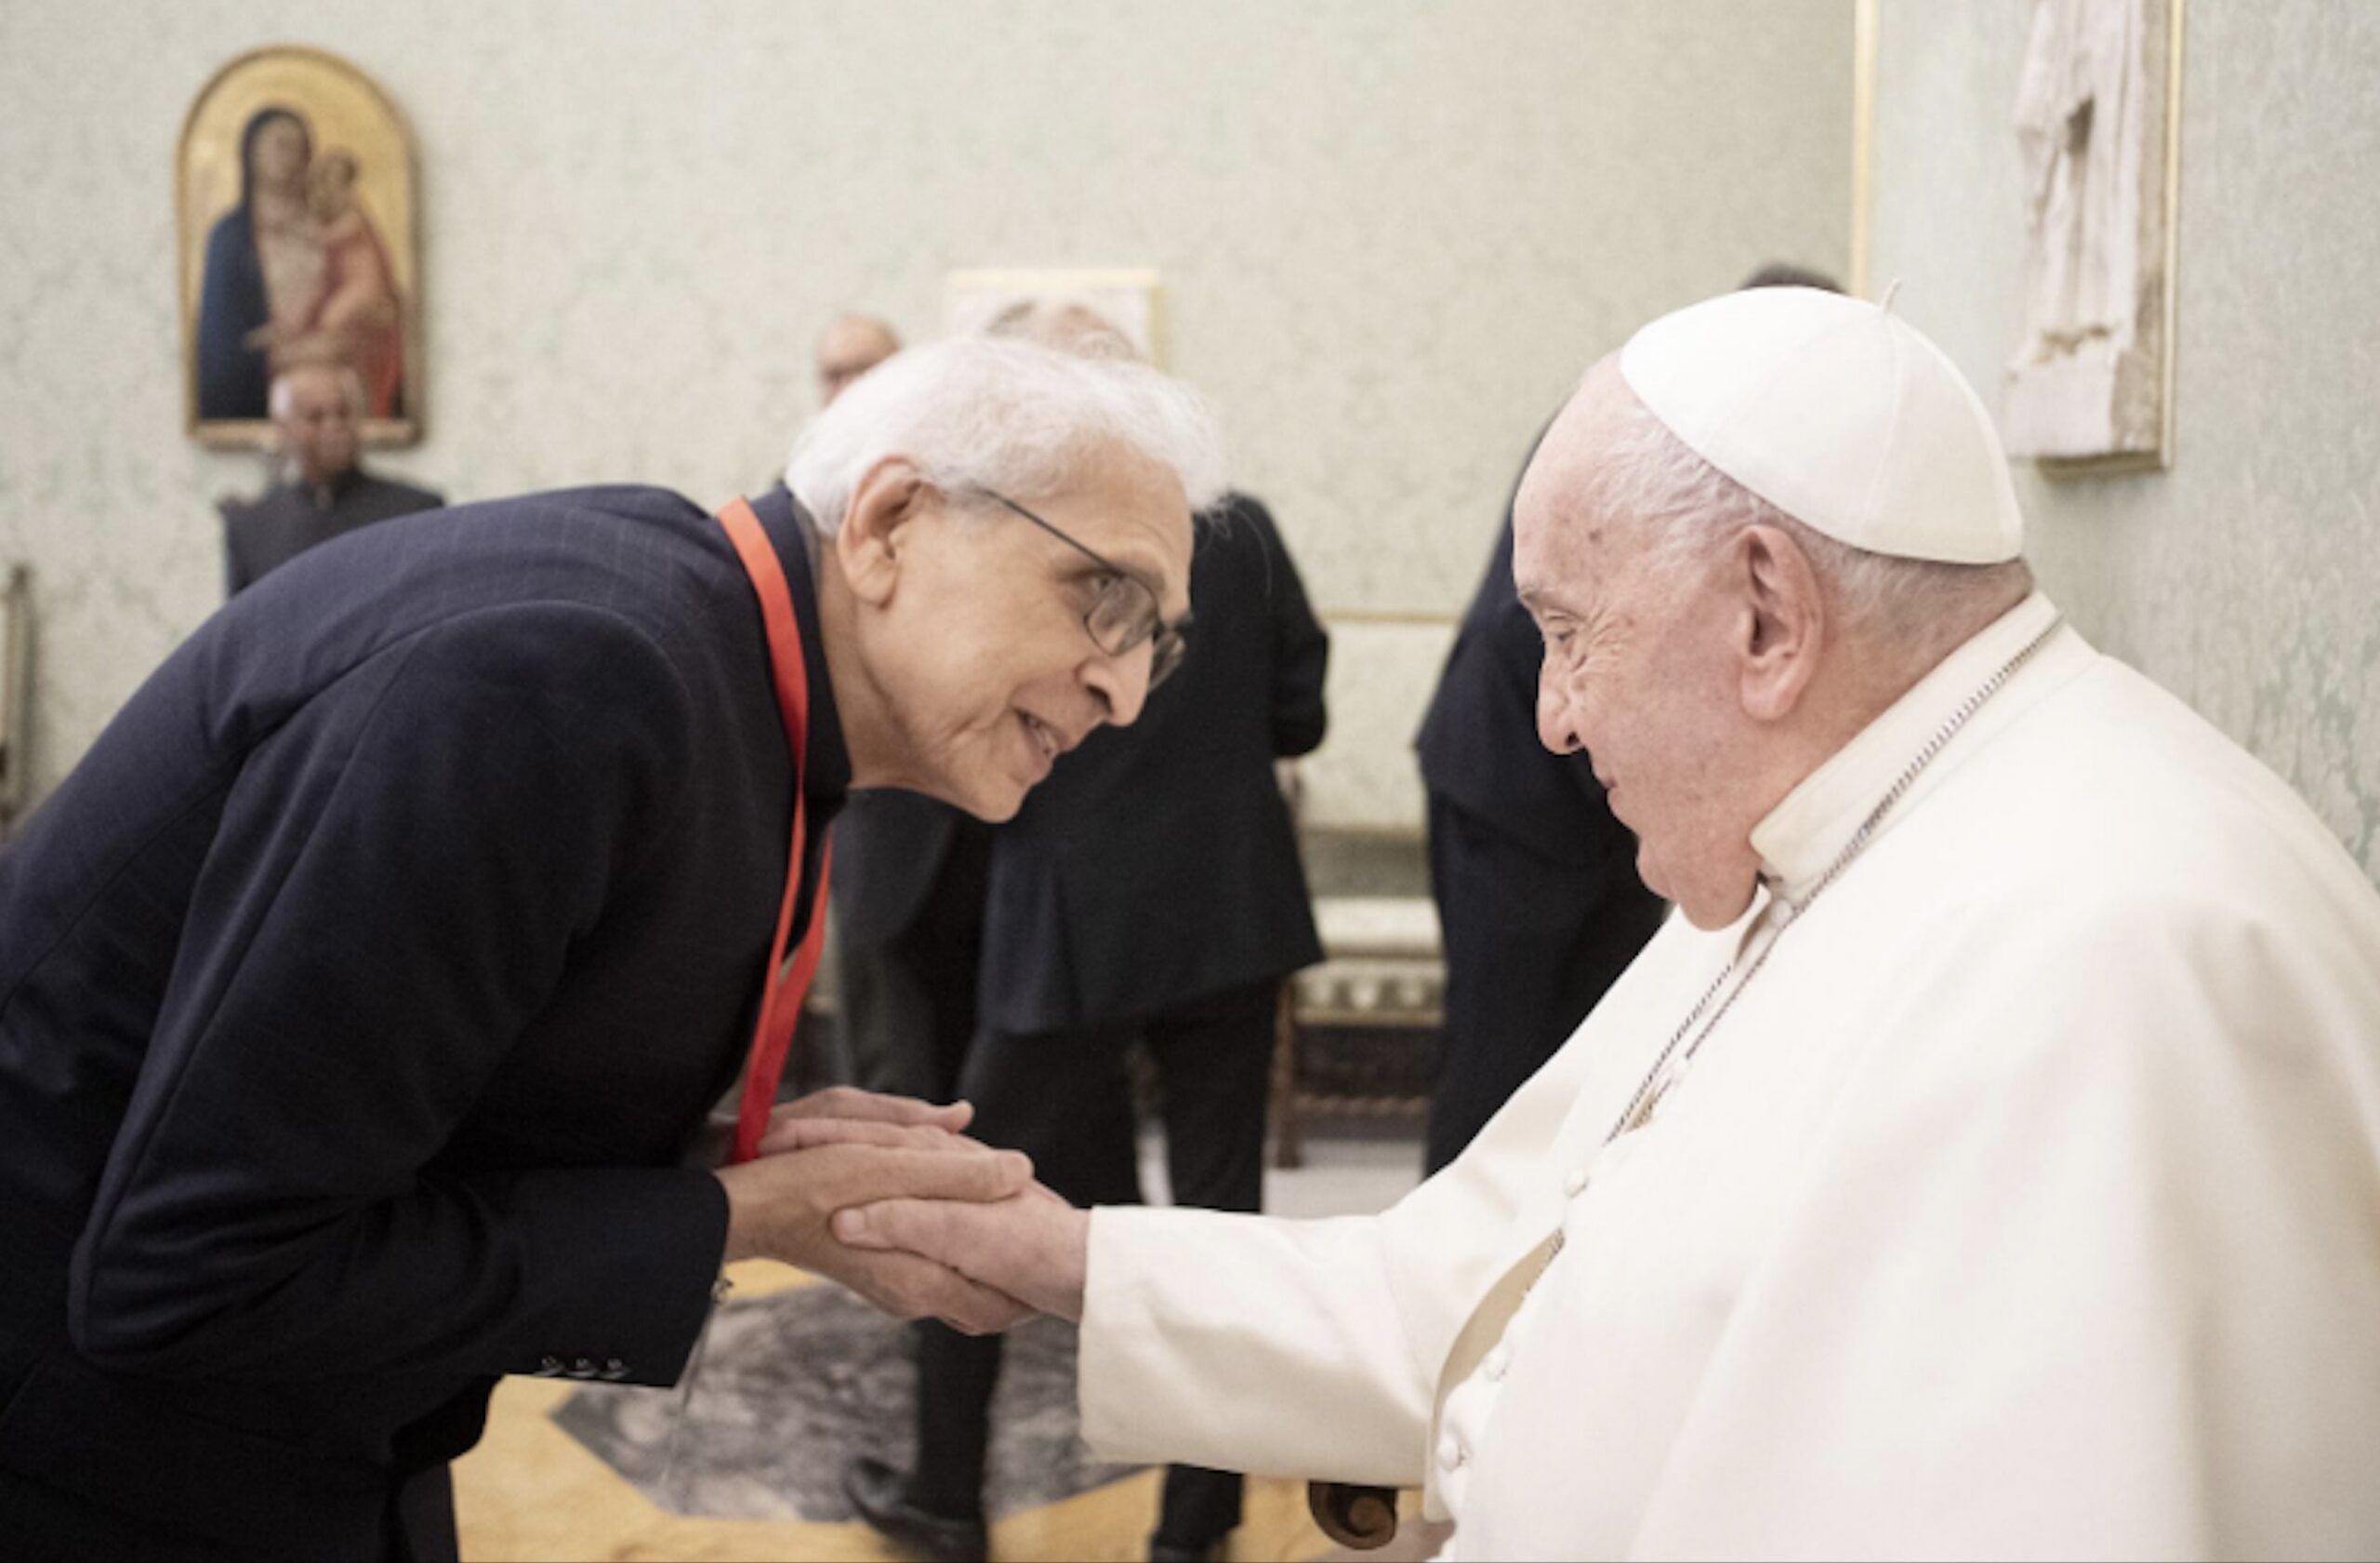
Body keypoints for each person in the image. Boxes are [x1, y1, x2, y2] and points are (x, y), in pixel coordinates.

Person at [826, 287, 2380, 1558]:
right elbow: (1481, 1286)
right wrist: (1067, 1254)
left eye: (1567, 633)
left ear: (1766, 615)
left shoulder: (2114, 960)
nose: (1553, 720)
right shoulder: (1825, 833)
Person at [0, 335, 1224, 1560]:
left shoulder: (713, 652)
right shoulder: (570, 680)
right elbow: (191, 1275)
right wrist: (738, 1214)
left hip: (305, 1429)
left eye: (1156, 643)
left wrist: (717, 1155)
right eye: (1102, 599)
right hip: (90, 1453)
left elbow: (414, 1096)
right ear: (890, 523)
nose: (1124, 691)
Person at [846, 301, 1330, 1563]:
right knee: (1222, 1224)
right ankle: (1198, 1522)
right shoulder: (1247, 529)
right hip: (1230, 907)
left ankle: (946, 1497)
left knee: (968, 1191)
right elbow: (1304, 701)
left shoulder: (1016, 529)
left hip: (1071, 925)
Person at [1414, 262, 1839, 1173]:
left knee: (1599, 1047)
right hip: (1507, 792)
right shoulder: (1641, 434)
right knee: (1500, 1059)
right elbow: (1541, 635)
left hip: (1616, 795)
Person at [219, 363, 444, 595]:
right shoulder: (252, 525)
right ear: (283, 428)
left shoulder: (416, 512)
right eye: (316, 417)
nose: (334, 426)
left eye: (343, 413)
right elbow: (241, 627)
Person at [195, 106, 320, 421]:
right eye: (280, 145)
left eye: (299, 147)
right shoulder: (230, 236)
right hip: (255, 390)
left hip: (328, 379)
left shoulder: (329, 226)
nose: (290, 157)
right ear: (251, 154)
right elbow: (219, 338)